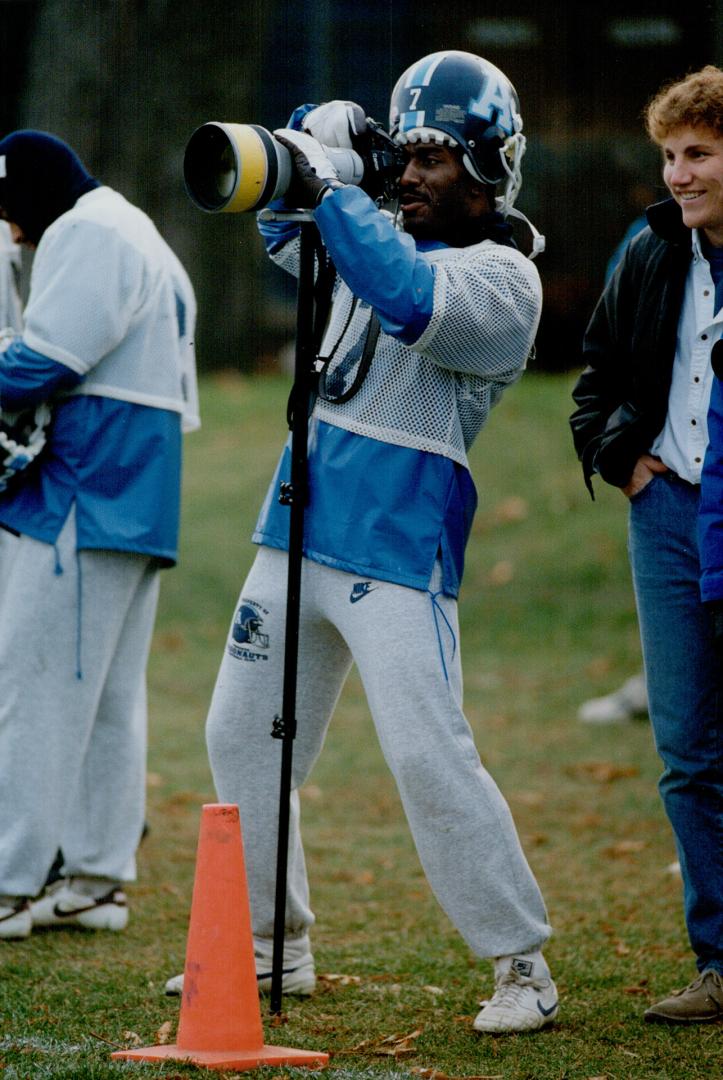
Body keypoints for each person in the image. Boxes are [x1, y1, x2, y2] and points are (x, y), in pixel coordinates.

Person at [167, 50, 558, 1035]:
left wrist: (337, 188)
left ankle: (523, 963)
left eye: (438, 160)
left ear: (489, 172)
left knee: (428, 753)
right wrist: (313, 140)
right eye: (408, 156)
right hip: (297, 522)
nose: (415, 176)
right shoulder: (374, 232)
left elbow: (409, 301)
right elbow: (278, 229)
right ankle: (270, 944)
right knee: (237, 734)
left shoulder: (504, 279)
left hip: (395, 543)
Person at [0, 131, 199, 941]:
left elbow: (41, 361)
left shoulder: (87, 232)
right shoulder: (129, 224)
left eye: (13, 213)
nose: (14, 234)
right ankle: (95, 879)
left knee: (34, 685)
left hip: (90, 484)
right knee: (109, 697)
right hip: (132, 488)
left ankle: (11, 882)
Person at [570, 66, 723, 1023]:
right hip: (666, 514)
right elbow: (597, 372)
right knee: (686, 749)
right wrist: (621, 459)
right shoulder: (653, 248)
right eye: (668, 155)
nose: (676, 174)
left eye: (698, 154)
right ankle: (717, 962)